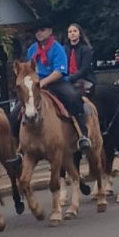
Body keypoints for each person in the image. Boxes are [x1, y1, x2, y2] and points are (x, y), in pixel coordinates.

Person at [26, 22, 91, 151]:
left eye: (42, 29)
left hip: (56, 82)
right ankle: (19, 147)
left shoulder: (57, 48)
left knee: (73, 97)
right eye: (37, 31)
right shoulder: (31, 50)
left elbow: (59, 71)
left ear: (50, 31)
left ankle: (82, 134)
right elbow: (29, 70)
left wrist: (43, 82)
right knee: (18, 109)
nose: (39, 33)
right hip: (36, 83)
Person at [65, 23, 96, 96]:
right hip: (67, 79)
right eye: (70, 32)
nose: (72, 33)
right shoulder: (64, 49)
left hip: (83, 79)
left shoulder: (85, 49)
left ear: (79, 34)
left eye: (75, 31)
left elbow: (84, 69)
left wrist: (71, 78)